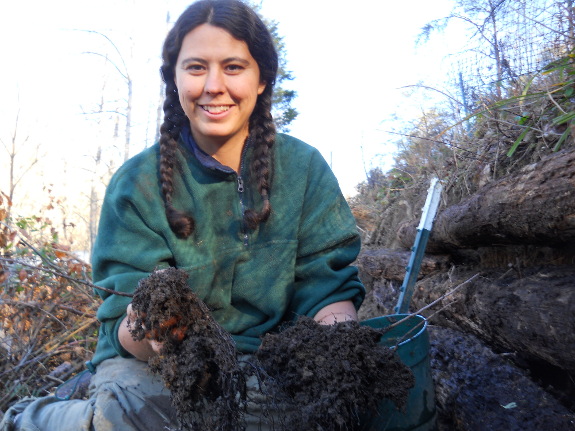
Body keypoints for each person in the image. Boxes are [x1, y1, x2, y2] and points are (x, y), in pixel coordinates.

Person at [0, 0, 365, 429]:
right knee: (135, 417)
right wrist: (153, 325)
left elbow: (326, 285)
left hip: (271, 362)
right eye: (195, 68)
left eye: (233, 67)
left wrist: (339, 351)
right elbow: (124, 324)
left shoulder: (304, 169)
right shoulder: (137, 183)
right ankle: (36, 420)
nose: (214, 85)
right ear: (174, 78)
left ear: (262, 78)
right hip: (156, 368)